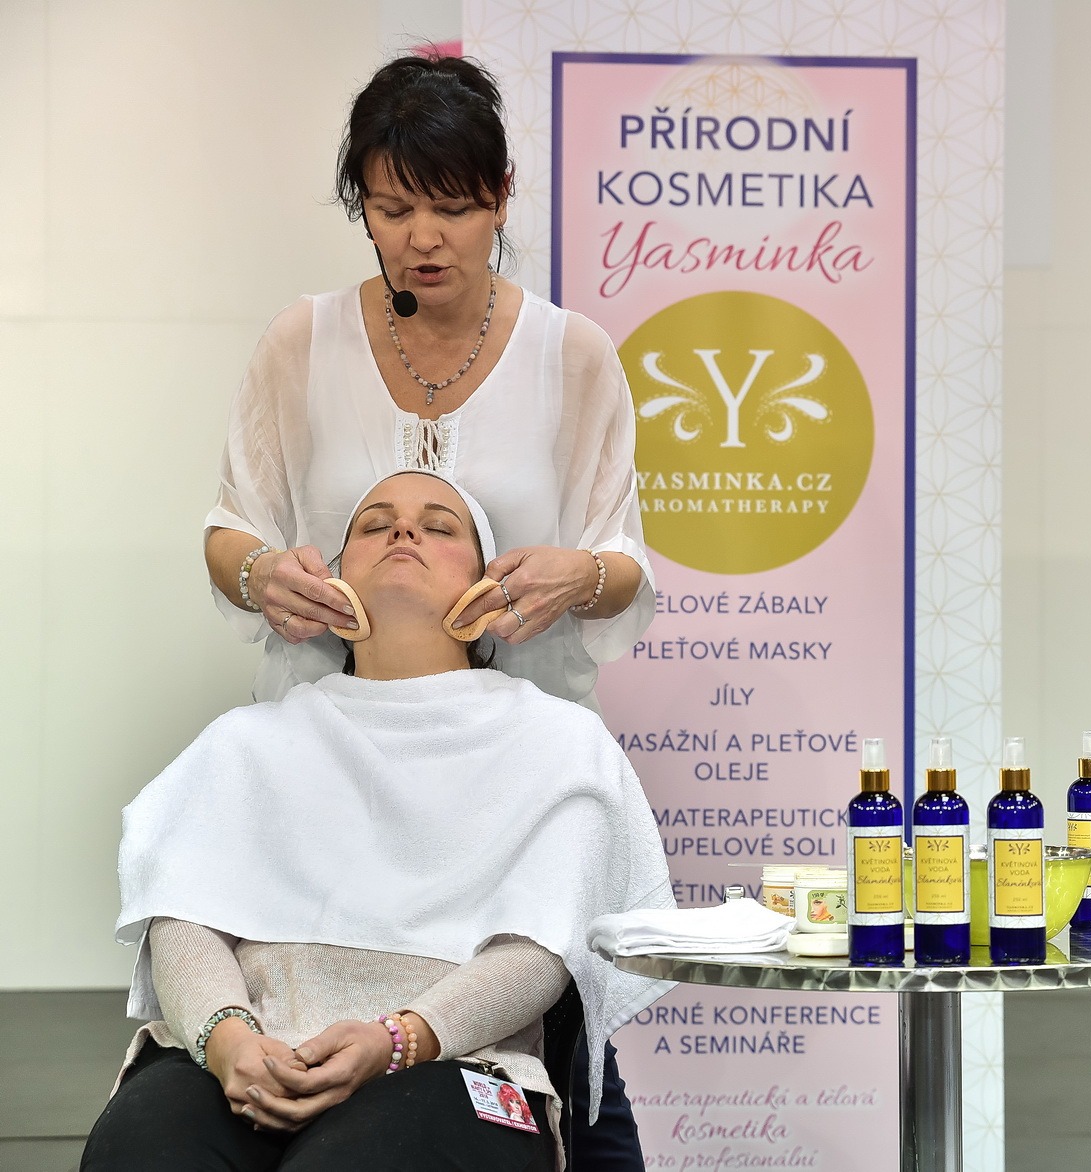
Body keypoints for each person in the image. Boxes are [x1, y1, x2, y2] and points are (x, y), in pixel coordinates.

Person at [82, 471, 674, 1172]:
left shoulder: (559, 744)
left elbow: (542, 949)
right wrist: (227, 1039)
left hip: (457, 1063)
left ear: (489, 586)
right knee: (143, 1147)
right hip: (246, 1051)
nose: (403, 530)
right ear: (332, 586)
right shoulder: (249, 742)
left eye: (440, 525)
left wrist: (398, 1040)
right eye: (373, 524)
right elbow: (182, 917)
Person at [203, 52, 653, 715]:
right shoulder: (302, 342)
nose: (422, 238)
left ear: (501, 196)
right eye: (392, 210)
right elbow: (231, 529)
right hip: (329, 724)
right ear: (363, 205)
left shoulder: (573, 355)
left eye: (452, 208)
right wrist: (260, 574)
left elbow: (622, 563)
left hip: (518, 732)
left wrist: (581, 577)